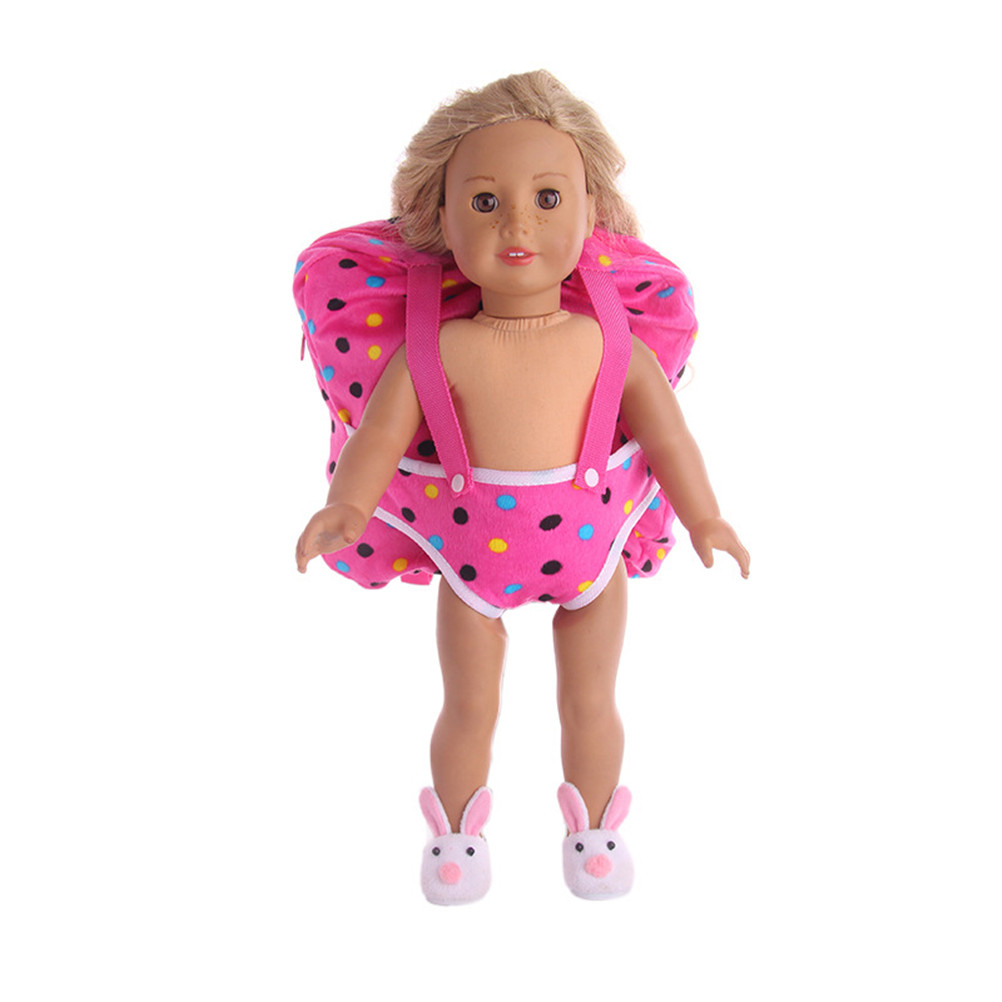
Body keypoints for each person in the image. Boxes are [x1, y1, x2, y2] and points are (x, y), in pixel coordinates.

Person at [295, 70, 749, 903]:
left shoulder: (611, 342)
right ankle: (456, 837)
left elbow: (669, 436)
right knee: (468, 707)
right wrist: (346, 507)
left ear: (589, 211)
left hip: (594, 561)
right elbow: (378, 439)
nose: (517, 224)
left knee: (592, 701)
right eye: (484, 202)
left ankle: (596, 831)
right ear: (442, 220)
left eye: (547, 198)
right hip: (469, 564)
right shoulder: (437, 347)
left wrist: (706, 516)